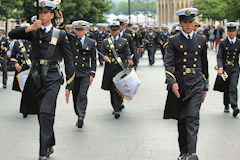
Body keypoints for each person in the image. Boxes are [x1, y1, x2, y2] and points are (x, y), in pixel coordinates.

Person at [8, 0, 75, 159]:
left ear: (51, 15)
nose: (42, 15)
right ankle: (49, 143)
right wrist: (29, 28)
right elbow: (12, 35)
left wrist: (69, 85)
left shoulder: (61, 34)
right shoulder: (33, 31)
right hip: (36, 77)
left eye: (45, 13)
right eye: (40, 13)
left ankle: (42, 152)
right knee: (41, 114)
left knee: (46, 112)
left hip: (52, 77)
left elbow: (69, 59)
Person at [163, 8, 209, 160]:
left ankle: (192, 153)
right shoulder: (173, 40)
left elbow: (204, 64)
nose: (188, 25)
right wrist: (172, 82)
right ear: (180, 24)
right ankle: (184, 152)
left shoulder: (201, 40)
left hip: (196, 82)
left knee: (192, 116)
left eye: (191, 22)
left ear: (194, 23)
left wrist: (205, 86)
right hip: (181, 84)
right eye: (185, 22)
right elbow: (168, 64)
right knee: (182, 119)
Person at [67, 20, 96, 128]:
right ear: (74, 30)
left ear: (86, 30)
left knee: (83, 94)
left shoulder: (91, 42)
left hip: (85, 73)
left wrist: (92, 74)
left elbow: (93, 59)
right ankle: (78, 113)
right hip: (74, 73)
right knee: (75, 96)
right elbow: (61, 32)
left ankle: (81, 116)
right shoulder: (71, 40)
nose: (80, 32)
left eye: (82, 30)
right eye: (77, 30)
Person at [101, 21, 133, 119]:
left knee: (119, 88)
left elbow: (127, 52)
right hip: (110, 68)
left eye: (116, 30)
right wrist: (104, 57)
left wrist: (129, 59)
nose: (114, 32)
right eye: (112, 30)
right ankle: (116, 108)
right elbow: (102, 52)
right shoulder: (106, 41)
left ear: (119, 30)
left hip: (120, 68)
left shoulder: (123, 41)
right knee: (112, 89)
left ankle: (119, 104)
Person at [217, 22, 240, 117]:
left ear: (236, 31)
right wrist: (220, 68)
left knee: (233, 86)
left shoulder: (239, 42)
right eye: (229, 31)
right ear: (227, 32)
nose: (231, 33)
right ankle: (226, 104)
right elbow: (220, 56)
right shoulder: (223, 42)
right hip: (226, 68)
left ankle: (234, 106)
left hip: (235, 67)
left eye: (233, 31)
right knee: (226, 86)